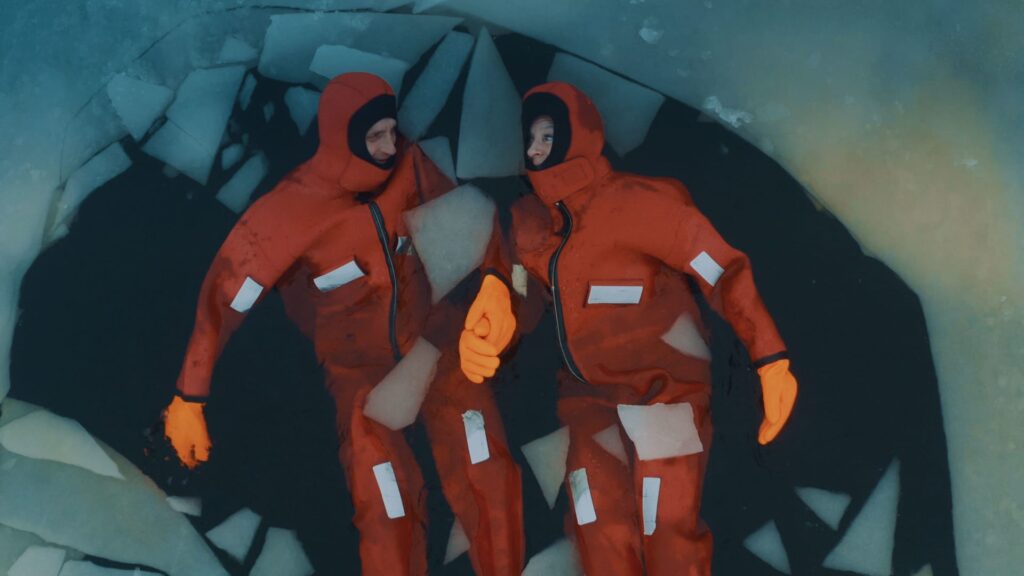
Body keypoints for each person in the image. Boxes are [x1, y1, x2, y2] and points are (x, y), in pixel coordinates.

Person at [163, 72, 524, 576]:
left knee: (486, 468)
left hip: (435, 344)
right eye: (375, 137)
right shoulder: (286, 213)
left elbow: (471, 222)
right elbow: (223, 301)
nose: (389, 147)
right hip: (362, 373)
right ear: (342, 137)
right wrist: (189, 396)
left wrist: (495, 282)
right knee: (387, 498)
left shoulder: (411, 166)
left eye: (392, 132)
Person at [459, 82, 799, 576]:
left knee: (666, 527)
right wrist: (498, 300)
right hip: (589, 402)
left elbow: (722, 271)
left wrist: (770, 357)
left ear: (576, 136)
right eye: (529, 138)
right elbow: (519, 283)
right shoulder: (529, 222)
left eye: (548, 135)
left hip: (666, 394)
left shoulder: (642, 204)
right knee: (595, 526)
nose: (534, 150)